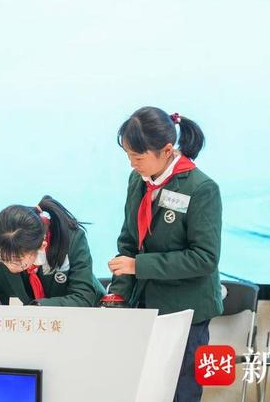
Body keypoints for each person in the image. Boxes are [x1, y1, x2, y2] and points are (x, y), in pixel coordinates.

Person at [103, 106, 223, 401]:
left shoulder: (201, 188)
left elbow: (204, 258)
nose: (132, 164)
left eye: (138, 157)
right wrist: (118, 295)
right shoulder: (138, 181)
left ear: (167, 150)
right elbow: (129, 243)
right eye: (128, 156)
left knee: (181, 392)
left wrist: (139, 266)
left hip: (186, 311)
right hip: (144, 306)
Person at [0, 195, 105, 307]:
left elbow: (83, 297)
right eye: (2, 259)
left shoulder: (72, 240)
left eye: (18, 261)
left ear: (41, 246)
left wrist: (39, 308)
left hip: (90, 316)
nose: (10, 267)